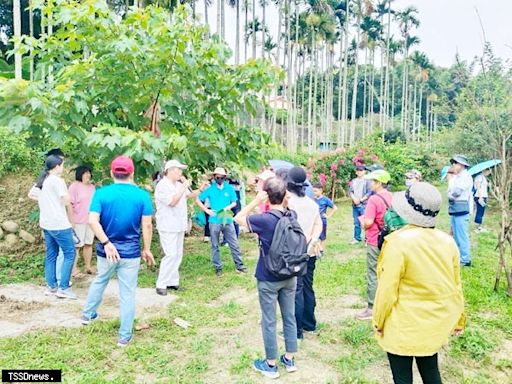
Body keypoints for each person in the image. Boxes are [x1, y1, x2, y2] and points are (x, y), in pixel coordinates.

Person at [373, 182, 465, 384]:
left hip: (402, 325)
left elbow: (387, 290)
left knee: (402, 377)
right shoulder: (447, 241)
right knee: (431, 372)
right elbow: (456, 284)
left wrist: (378, 321)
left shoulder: (397, 242)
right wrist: (460, 318)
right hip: (434, 324)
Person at [81, 156, 155, 348]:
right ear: (132, 173)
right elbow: (147, 225)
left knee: (100, 280)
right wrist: (147, 249)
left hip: (107, 251)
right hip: (130, 253)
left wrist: (106, 242)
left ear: (111, 172)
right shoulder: (142, 196)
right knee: (127, 293)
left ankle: (88, 315)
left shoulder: (101, 193)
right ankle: (124, 336)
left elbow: (92, 220)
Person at [234, 177, 299, 379]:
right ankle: (289, 358)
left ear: (267, 196)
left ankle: (270, 364)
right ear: (284, 195)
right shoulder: (292, 215)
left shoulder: (263, 220)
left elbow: (238, 218)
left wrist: (256, 201)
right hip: (290, 275)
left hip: (268, 276)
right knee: (289, 316)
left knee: (269, 320)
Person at [154, 160, 206, 295]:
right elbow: (172, 202)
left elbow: (189, 195)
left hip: (179, 224)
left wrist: (200, 189)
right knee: (170, 254)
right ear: (170, 170)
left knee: (177, 254)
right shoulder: (162, 186)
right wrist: (183, 186)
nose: (180, 172)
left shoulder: (177, 185)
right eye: (178, 169)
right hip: (167, 225)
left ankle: (172, 281)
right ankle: (161, 284)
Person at [34, 154, 77, 299]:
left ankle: (52, 287)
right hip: (59, 223)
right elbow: (65, 200)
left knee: (51, 255)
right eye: (63, 165)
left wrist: (47, 201)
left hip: (46, 223)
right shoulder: (57, 180)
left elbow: (32, 194)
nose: (63, 167)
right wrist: (68, 198)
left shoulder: (43, 180)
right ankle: (63, 288)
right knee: (70, 253)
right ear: (57, 166)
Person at [286, 166, 323, 339]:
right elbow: (319, 225)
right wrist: (312, 240)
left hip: (294, 252)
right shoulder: (312, 204)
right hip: (310, 251)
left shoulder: (288, 203)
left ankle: (297, 330)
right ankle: (310, 323)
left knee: (296, 290)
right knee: (308, 286)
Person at [196, 167, 247, 277]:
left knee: (234, 243)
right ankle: (218, 267)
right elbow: (198, 199)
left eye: (221, 177)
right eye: (217, 177)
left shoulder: (229, 188)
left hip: (227, 219)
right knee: (215, 245)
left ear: (225, 178)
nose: (219, 179)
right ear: (214, 177)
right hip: (214, 220)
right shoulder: (210, 189)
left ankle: (240, 265)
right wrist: (207, 210)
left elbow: (234, 202)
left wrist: (227, 208)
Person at [356, 169, 393, 320]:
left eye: (372, 181)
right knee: (387, 271)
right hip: (390, 238)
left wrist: (362, 222)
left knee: (373, 272)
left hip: (374, 239)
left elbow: (368, 222)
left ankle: (372, 308)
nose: (370, 183)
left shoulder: (373, 199)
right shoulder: (391, 196)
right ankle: (388, 304)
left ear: (378, 183)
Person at [68, 165, 96, 277]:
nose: (88, 175)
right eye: (85, 173)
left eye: (89, 173)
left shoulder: (92, 187)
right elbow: (69, 203)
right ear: (80, 174)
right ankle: (73, 269)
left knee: (89, 243)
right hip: (78, 220)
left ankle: (88, 266)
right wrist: (71, 220)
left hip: (91, 220)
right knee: (77, 245)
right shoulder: (74, 187)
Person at [447, 155, 473, 267]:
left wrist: (449, 191)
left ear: (462, 165)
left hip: (461, 208)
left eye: (456, 163)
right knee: (456, 234)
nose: (454, 165)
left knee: (462, 235)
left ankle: (465, 259)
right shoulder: (458, 177)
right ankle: (458, 256)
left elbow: (455, 193)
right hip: (455, 209)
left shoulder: (465, 176)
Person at [312, 183, 337, 254]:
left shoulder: (325, 199)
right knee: (314, 236)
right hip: (314, 221)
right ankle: (316, 250)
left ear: (321, 190)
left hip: (322, 221)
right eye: (313, 191)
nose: (314, 193)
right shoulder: (312, 199)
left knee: (322, 237)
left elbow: (335, 208)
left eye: (315, 191)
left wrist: (328, 216)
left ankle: (321, 250)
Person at [349, 165, 372, 244]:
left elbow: (369, 192)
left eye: (361, 170)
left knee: (365, 222)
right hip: (355, 204)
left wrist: (361, 199)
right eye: (358, 170)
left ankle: (367, 239)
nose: (359, 172)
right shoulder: (354, 181)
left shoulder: (367, 181)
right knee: (356, 222)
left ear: (364, 171)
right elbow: (350, 191)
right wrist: (354, 199)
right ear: (356, 172)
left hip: (364, 204)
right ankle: (357, 238)